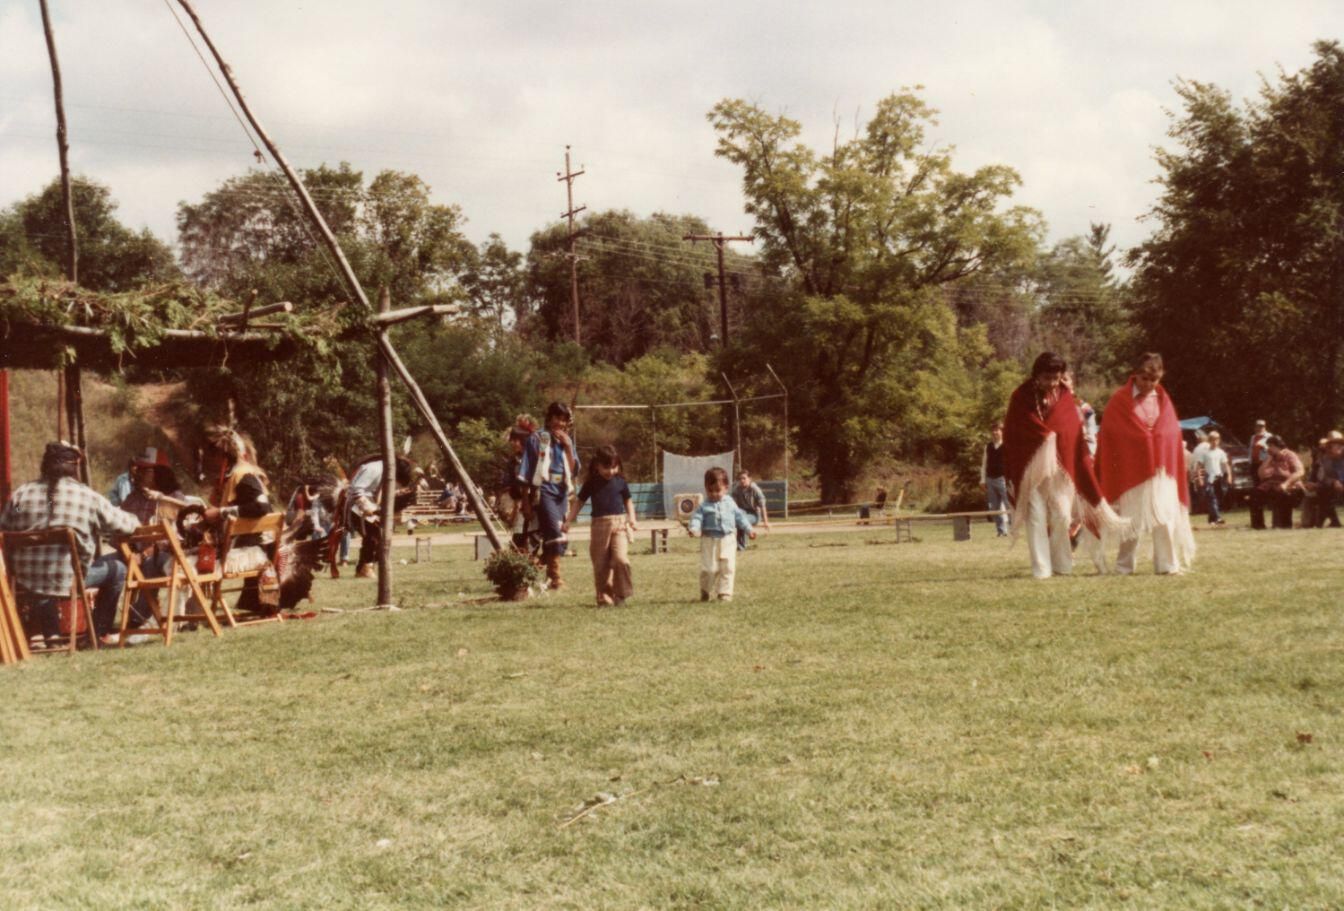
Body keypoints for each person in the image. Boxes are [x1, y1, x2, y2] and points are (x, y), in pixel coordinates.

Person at [1002, 352, 1129, 579]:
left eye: (1056, 378)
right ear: (1036, 375)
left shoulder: (1064, 396)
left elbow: (1071, 432)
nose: (1052, 383)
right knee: (1036, 517)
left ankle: (1061, 565)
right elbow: (1013, 433)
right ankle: (1041, 569)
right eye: (1047, 378)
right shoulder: (1020, 396)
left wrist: (1057, 442)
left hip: (1061, 470)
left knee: (1062, 515)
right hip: (1030, 469)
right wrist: (1043, 437)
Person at [0, 442, 139, 642]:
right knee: (118, 569)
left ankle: (52, 634)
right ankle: (97, 633)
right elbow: (124, 525)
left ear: (44, 465)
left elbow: (4, 527)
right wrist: (136, 519)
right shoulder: (86, 496)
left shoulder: (21, 496)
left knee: (45, 574)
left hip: (25, 579)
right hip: (69, 579)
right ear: (75, 467)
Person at [1095, 353, 1196, 575]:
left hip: (1161, 471)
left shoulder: (1163, 400)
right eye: (1144, 379)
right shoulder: (1119, 401)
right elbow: (1111, 433)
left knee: (1164, 518)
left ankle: (1167, 565)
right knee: (1131, 520)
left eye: (1154, 380)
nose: (1149, 384)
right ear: (1135, 375)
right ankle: (1124, 566)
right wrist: (1140, 439)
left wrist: (1155, 440)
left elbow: (1170, 432)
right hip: (1131, 470)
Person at [563, 445, 638, 606]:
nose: (610, 471)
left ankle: (621, 595)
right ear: (597, 465)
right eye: (606, 467)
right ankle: (605, 598)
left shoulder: (620, 482)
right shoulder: (591, 483)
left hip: (619, 525)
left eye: (614, 467)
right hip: (599, 526)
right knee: (601, 565)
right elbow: (579, 502)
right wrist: (568, 521)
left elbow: (628, 501)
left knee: (621, 559)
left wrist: (632, 518)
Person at [517, 402, 579, 591]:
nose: (560, 423)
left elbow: (574, 470)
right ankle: (556, 577)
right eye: (557, 418)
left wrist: (568, 447)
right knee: (555, 531)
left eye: (564, 420)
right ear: (550, 418)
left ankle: (535, 569)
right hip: (543, 489)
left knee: (560, 533)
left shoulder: (566, 441)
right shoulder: (537, 438)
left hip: (562, 491)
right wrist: (525, 502)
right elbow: (526, 471)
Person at [344, 454, 419, 579]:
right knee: (374, 535)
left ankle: (364, 568)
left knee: (377, 535)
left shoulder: (384, 470)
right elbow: (356, 489)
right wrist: (366, 507)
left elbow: (377, 491)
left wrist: (398, 493)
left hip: (369, 506)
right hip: (354, 506)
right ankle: (365, 567)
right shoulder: (374, 468)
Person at [687, 466, 755, 601]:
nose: (713, 494)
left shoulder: (730, 503)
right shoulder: (704, 506)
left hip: (728, 539)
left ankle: (725, 593)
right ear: (706, 488)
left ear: (726, 488)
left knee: (728, 566)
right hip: (709, 540)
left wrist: (749, 529)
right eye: (710, 490)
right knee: (710, 569)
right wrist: (694, 528)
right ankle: (705, 589)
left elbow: (740, 517)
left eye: (717, 490)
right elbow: (697, 518)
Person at [1250, 435, 1304, 529]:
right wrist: (1268, 459)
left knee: (1282, 494)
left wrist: (1286, 484)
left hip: (1290, 485)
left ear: (1278, 446)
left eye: (1270, 446)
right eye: (1268, 446)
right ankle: (1258, 526)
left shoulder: (1289, 455)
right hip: (1272, 485)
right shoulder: (1271, 458)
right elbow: (1261, 475)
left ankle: (1285, 525)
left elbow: (1300, 471)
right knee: (1255, 495)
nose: (1268, 449)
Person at [1193, 431, 1232, 525]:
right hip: (1209, 477)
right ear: (1209, 441)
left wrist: (1229, 475)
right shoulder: (1204, 453)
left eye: (1216, 440)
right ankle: (1218, 518)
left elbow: (1226, 465)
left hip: (1218, 477)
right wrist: (1200, 478)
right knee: (1212, 497)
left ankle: (1211, 519)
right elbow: (1198, 466)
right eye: (1212, 440)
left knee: (1217, 497)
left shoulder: (1220, 452)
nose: (1214, 442)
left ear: (1219, 440)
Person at [980, 422, 1010, 537]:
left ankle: (1014, 529)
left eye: (997, 430)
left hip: (1003, 479)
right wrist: (982, 480)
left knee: (1009, 505)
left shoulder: (1007, 445)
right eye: (993, 430)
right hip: (990, 479)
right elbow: (984, 464)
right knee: (995, 507)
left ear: (1002, 432)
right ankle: (1001, 531)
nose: (995, 432)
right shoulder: (988, 447)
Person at [730, 469, 770, 550]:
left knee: (742, 520)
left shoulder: (754, 489)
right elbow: (731, 502)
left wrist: (766, 522)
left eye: (744, 478)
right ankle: (734, 543)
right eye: (740, 479)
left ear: (749, 479)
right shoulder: (737, 488)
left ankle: (742, 545)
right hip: (742, 512)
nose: (742, 480)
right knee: (739, 518)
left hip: (754, 514)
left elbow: (762, 505)